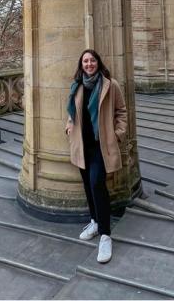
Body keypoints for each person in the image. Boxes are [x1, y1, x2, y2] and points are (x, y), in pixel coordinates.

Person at [65, 49, 127, 264]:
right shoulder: (78, 85)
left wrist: (117, 135)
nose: (89, 64)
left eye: (92, 60)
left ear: (98, 63)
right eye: (85, 61)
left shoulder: (111, 85)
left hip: (102, 146)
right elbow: (72, 112)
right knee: (87, 186)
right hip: (82, 146)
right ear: (81, 65)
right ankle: (94, 221)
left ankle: (105, 234)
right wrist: (69, 127)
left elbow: (121, 112)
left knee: (97, 185)